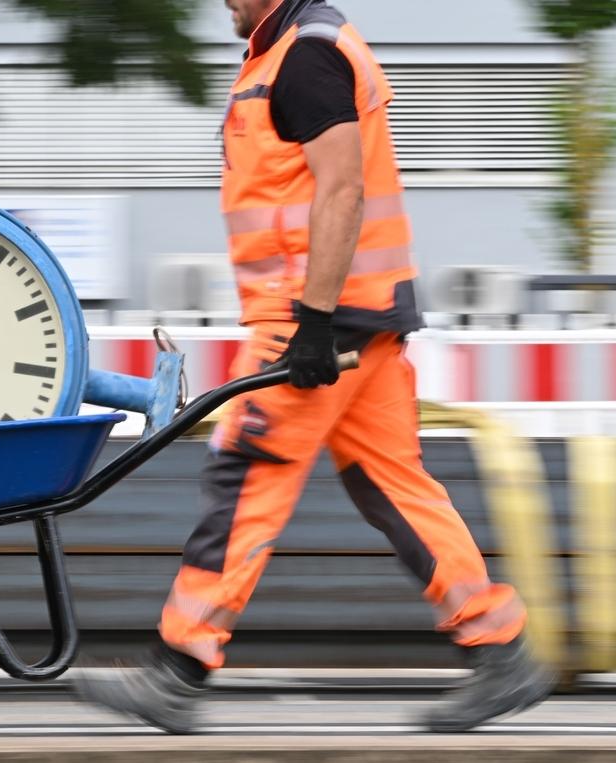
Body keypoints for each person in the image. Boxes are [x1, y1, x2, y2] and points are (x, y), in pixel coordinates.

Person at [73, 0, 556, 734]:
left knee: (247, 471)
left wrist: (315, 321)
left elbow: (342, 187)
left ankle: (179, 665)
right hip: (363, 317)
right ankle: (501, 648)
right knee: (396, 487)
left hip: (315, 319)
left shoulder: (307, 55)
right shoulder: (288, 49)